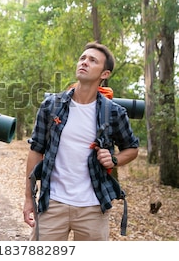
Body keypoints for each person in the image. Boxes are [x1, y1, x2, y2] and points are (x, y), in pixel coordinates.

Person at [23, 41, 139, 241]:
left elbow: (132, 148)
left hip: (93, 207)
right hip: (53, 203)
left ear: (105, 74)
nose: (84, 62)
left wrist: (114, 159)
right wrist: (28, 198)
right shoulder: (52, 106)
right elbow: (36, 150)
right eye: (82, 58)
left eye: (92, 60)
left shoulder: (113, 113)